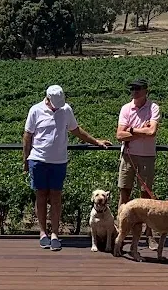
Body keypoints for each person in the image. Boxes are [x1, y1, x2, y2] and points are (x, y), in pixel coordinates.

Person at [23, 85, 111, 251]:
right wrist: (25, 159)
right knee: (41, 196)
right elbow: (27, 135)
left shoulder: (66, 109)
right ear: (47, 99)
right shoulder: (35, 110)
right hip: (38, 159)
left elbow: (76, 130)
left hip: (59, 161)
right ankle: (43, 233)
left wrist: (96, 141)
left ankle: (55, 234)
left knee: (56, 198)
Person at [116, 78, 160, 249]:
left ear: (145, 90)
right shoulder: (126, 108)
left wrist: (131, 131)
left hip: (147, 156)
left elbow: (153, 131)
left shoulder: (153, 107)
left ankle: (148, 234)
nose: (134, 92)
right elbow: (119, 135)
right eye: (132, 89)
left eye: (138, 89)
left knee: (146, 197)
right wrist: (140, 130)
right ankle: (122, 231)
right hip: (128, 156)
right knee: (124, 194)